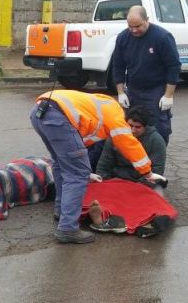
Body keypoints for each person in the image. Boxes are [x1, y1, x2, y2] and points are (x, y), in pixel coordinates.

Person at [30, 89, 161, 244]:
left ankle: (61, 211)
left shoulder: (97, 108)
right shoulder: (115, 115)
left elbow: (77, 145)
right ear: (125, 118)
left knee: (61, 163)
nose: (131, 129)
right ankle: (67, 228)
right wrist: (147, 172)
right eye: (130, 125)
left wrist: (86, 171)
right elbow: (128, 143)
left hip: (40, 113)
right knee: (77, 175)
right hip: (57, 116)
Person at [111, 5, 182, 144]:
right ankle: (137, 160)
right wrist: (120, 92)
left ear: (147, 20)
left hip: (156, 90)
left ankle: (157, 160)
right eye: (130, 26)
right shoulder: (123, 38)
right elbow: (118, 66)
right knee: (132, 127)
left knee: (158, 128)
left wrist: (168, 95)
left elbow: (173, 66)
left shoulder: (162, 37)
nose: (134, 30)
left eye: (138, 26)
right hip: (134, 89)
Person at [95, 105, 166, 191]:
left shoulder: (156, 141)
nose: (132, 130)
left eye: (137, 127)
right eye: (130, 125)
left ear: (146, 126)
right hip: (117, 180)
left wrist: (135, 188)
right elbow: (104, 165)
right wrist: (107, 182)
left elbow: (156, 171)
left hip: (142, 182)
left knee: (157, 191)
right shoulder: (116, 135)